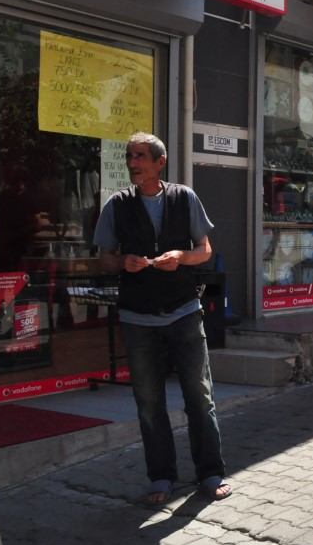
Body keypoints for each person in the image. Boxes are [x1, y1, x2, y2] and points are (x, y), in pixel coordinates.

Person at [93, 132, 230, 506]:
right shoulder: (117, 205)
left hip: (183, 311)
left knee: (199, 396)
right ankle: (161, 476)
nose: (132, 163)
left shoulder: (184, 197)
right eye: (129, 156)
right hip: (137, 317)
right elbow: (104, 258)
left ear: (160, 162)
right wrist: (123, 262)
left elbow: (205, 250)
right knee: (149, 402)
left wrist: (180, 258)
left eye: (140, 156)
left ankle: (210, 472)